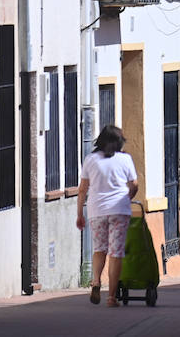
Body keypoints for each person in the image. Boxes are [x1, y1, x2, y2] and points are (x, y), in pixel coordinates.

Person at [76, 124, 139, 307]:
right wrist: (128, 196)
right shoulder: (125, 159)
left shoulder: (91, 159)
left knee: (99, 249)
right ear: (119, 142)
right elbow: (134, 184)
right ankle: (111, 297)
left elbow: (82, 190)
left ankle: (96, 281)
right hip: (119, 210)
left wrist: (80, 213)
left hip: (97, 210)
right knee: (116, 252)